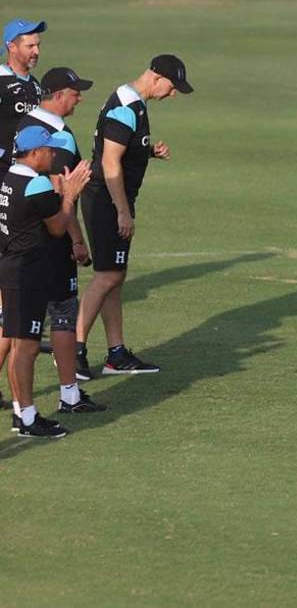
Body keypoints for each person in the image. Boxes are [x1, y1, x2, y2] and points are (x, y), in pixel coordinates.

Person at [76, 55, 192, 376]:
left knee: (116, 275)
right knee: (107, 276)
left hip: (112, 200)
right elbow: (110, 163)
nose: (173, 94)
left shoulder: (135, 104)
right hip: (106, 200)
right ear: (155, 76)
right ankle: (74, 349)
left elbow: (120, 150)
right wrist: (123, 212)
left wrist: (148, 151)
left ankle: (115, 354)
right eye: (172, 86)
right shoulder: (125, 107)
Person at [14, 69, 105, 410]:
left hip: (18, 241)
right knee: (63, 317)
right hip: (49, 241)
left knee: (12, 326)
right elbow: (61, 193)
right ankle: (68, 395)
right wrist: (77, 240)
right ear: (56, 94)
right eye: (74, 91)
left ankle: (24, 406)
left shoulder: (25, 126)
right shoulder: (57, 137)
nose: (79, 97)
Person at [0, 125, 91, 437]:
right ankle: (27, 418)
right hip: (27, 274)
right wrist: (70, 196)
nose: (53, 154)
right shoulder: (36, 184)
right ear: (36, 153)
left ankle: (21, 413)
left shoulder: (8, 177)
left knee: (18, 344)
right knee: (25, 347)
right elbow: (57, 227)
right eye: (50, 149)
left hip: (12, 269)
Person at [0, 19, 45, 172]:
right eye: (30, 46)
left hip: (30, 172)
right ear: (12, 47)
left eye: (38, 45)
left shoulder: (34, 84)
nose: (37, 52)